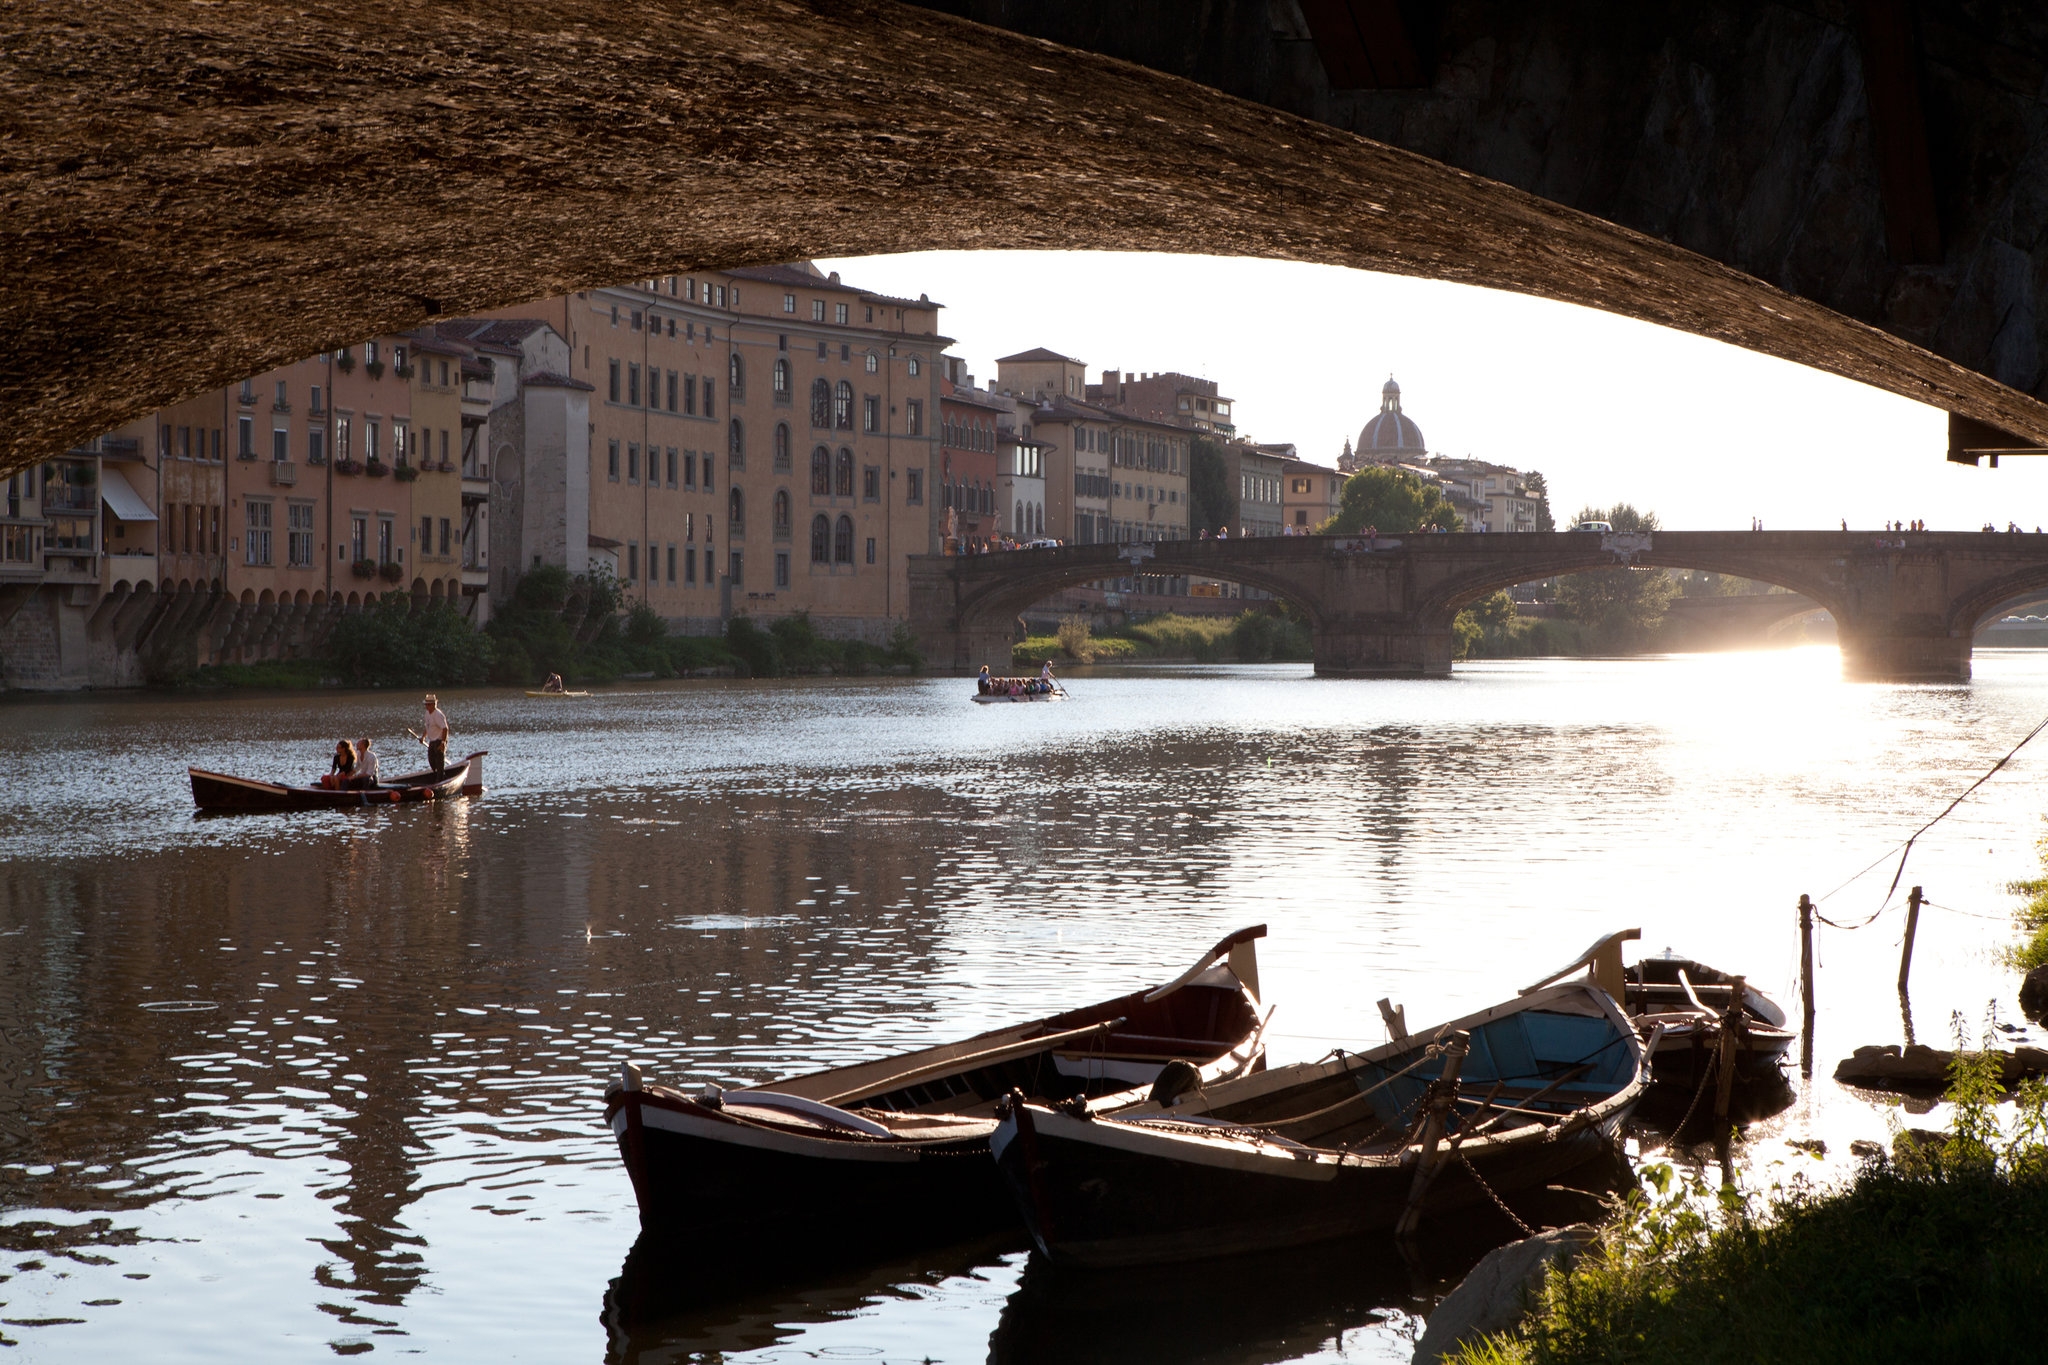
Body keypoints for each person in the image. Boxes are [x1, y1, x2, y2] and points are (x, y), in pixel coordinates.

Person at [420, 694, 451, 774]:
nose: (427, 706)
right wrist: (423, 737)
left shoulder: (438, 715)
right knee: (431, 760)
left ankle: (440, 777)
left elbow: (445, 728)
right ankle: (436, 775)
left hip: (439, 740)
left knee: (439, 762)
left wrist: (443, 742)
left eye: (429, 704)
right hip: (432, 740)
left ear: (434, 704)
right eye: (426, 705)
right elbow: (428, 727)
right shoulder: (427, 714)